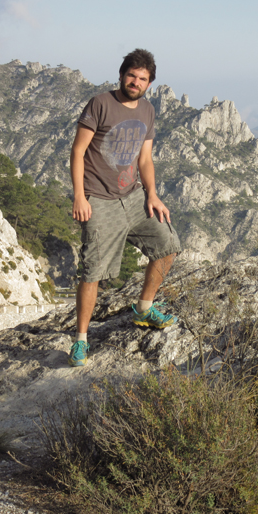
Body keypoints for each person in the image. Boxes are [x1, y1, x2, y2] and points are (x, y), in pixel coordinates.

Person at [68, 48, 181, 367]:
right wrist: (80, 196)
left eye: (143, 78)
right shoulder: (100, 104)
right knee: (92, 272)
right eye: (131, 75)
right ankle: (81, 340)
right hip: (98, 200)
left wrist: (152, 194)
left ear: (149, 83)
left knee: (167, 245)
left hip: (132, 196)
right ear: (121, 75)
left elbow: (145, 158)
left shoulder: (147, 110)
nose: (136, 81)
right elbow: (78, 152)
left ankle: (144, 309)